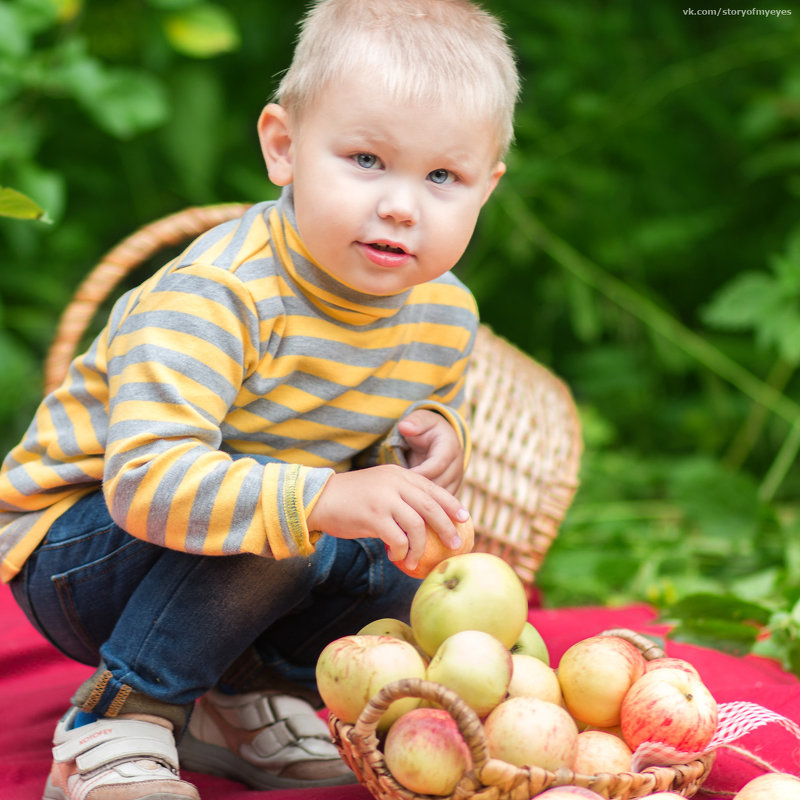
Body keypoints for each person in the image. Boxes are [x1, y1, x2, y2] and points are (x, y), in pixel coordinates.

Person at [0, 0, 519, 797]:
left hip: (245, 544)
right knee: (290, 525)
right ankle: (115, 718)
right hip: (81, 552)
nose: (402, 206)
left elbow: (367, 450)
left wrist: (432, 437)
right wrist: (326, 494)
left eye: (442, 176)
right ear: (284, 147)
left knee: (412, 574)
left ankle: (239, 702)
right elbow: (146, 484)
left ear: (486, 188)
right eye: (367, 160)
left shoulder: (446, 313)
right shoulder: (222, 292)